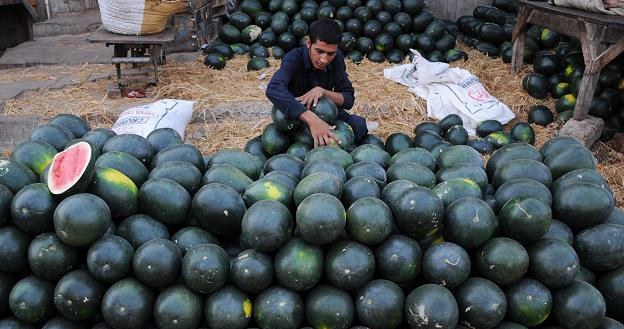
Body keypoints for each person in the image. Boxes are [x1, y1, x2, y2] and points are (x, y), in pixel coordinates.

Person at [265, 18, 368, 148]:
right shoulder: (293, 58)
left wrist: (323, 91)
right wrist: (312, 120)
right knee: (286, 144)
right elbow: (273, 88)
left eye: (331, 53)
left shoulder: (337, 59)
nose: (324, 60)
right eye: (319, 51)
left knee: (359, 126)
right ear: (308, 43)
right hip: (294, 118)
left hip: (326, 114)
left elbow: (348, 99)